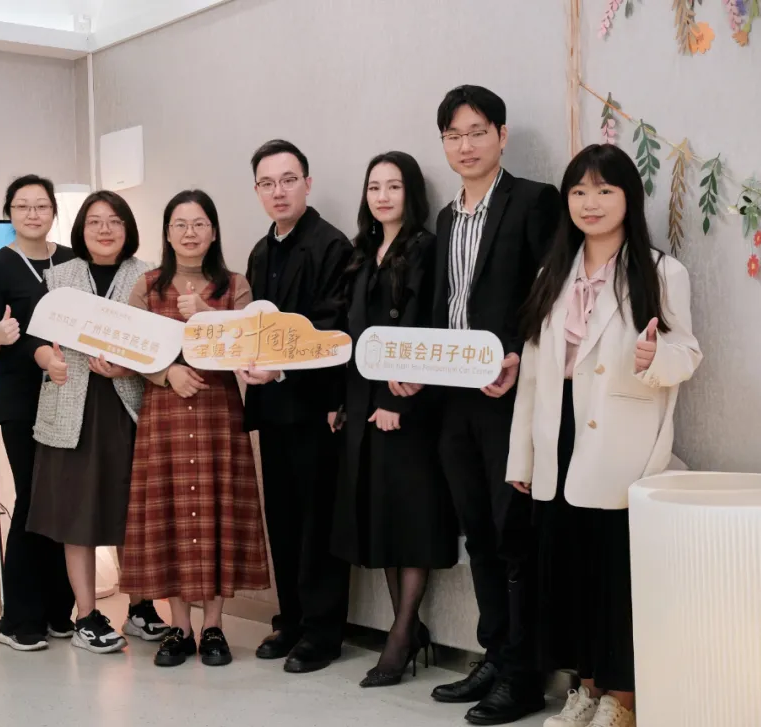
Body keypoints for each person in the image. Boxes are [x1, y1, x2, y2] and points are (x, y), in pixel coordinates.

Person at [507, 143, 701, 727]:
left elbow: (687, 352)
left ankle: (624, 700)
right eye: (578, 191)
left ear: (628, 199)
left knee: (615, 578)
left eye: (604, 190)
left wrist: (653, 355)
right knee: (566, 576)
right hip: (557, 438)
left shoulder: (661, 271)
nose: (590, 203)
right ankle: (586, 689)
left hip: (619, 443)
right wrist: (522, 458)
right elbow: (534, 372)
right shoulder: (553, 273)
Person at [420, 85, 562, 726]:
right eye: (454, 135)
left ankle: (525, 676)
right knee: (477, 533)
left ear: (502, 136)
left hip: (509, 395)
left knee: (514, 537)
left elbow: (552, 292)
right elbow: (445, 305)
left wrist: (517, 358)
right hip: (454, 400)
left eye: (478, 131)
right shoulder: (446, 219)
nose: (466, 145)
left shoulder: (534, 200)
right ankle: (496, 656)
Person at [119, 189, 271, 668]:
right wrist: (167, 374)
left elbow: (249, 349)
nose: (190, 233)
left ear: (214, 231)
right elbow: (130, 347)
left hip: (218, 414)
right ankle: (180, 628)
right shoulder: (147, 286)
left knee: (215, 514)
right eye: (180, 224)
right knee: (170, 516)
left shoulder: (235, 286)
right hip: (165, 413)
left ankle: (214, 627)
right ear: (167, 233)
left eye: (199, 223)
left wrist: (209, 318)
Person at [330, 152, 458, 688]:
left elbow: (428, 325)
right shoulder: (362, 251)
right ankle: (407, 629)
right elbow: (351, 332)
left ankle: (402, 635)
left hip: (407, 404)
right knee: (382, 517)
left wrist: (398, 401)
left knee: (412, 519)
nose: (382, 196)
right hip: (363, 402)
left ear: (412, 193)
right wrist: (343, 401)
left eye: (394, 186)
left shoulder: (425, 248)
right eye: (374, 187)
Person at [26, 190, 170, 654]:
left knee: (133, 512)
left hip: (129, 408)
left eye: (114, 221)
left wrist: (129, 366)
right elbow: (36, 339)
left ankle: (141, 608)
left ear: (128, 228)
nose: (104, 230)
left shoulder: (149, 275)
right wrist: (49, 360)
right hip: (73, 408)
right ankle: (86, 615)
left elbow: (162, 345)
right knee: (78, 514)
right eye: (94, 221)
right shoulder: (58, 277)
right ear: (81, 229)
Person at [240, 139, 353, 674]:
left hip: (316, 406)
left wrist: (281, 368)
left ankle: (323, 632)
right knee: (282, 517)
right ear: (257, 191)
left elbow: (333, 327)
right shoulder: (260, 252)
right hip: (271, 406)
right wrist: (247, 362)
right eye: (267, 183)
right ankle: (290, 619)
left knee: (317, 521)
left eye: (288, 180)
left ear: (307, 183)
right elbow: (254, 328)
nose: (278, 191)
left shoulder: (332, 245)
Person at [0, 174, 76, 652]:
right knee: (33, 500)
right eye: (22, 206)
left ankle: (58, 612)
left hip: (70, 396)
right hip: (21, 401)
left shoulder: (72, 260)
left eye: (41, 205)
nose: (33, 213)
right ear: (9, 213)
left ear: (53, 211)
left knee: (63, 501)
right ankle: (18, 620)